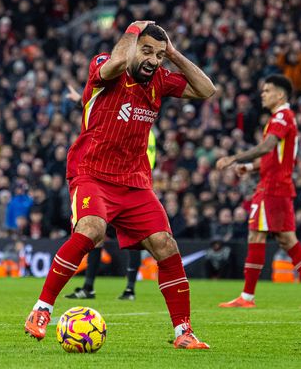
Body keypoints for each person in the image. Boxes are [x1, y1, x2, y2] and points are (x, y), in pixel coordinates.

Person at [24, 21, 216, 349]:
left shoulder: (159, 79)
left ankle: (183, 331)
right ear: (131, 47)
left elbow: (206, 90)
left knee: (166, 246)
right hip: (91, 172)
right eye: (146, 51)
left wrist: (173, 54)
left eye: (158, 54)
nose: (153, 60)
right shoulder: (103, 66)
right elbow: (115, 63)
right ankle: (41, 311)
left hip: (134, 182)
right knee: (92, 230)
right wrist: (131, 32)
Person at [216, 74, 301, 309]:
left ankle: (247, 297)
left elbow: (268, 146)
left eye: (267, 90)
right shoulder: (282, 118)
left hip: (272, 188)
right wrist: (248, 167)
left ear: (280, 94)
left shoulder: (281, 116)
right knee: (287, 239)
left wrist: (234, 157)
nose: (263, 94)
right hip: (278, 185)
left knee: (257, 235)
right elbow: (273, 156)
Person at [62, 87, 151, 301]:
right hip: (105, 186)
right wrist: (79, 101)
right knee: (95, 235)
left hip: (132, 187)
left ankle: (130, 288)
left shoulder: (144, 132)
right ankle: (89, 287)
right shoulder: (122, 121)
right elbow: (102, 113)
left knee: (135, 238)